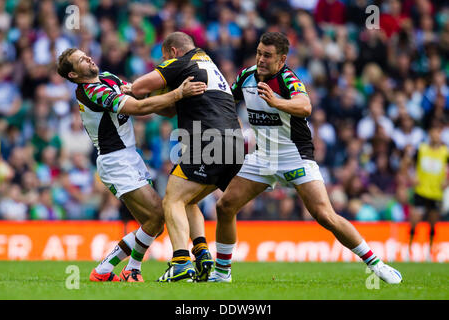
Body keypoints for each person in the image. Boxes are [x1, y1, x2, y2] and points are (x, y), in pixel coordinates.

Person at [208, 32, 402, 284]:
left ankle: (376, 264)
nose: (261, 59)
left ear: (281, 59)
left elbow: (305, 106)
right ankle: (222, 273)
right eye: (259, 53)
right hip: (262, 157)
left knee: (324, 215)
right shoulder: (246, 75)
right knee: (225, 206)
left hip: (294, 156)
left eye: (267, 55)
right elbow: (227, 102)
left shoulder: (287, 79)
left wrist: (277, 102)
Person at [56, 48, 206, 282]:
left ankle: (106, 271)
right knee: (157, 214)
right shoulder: (91, 91)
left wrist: (160, 94)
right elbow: (137, 108)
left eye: (86, 55)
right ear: (74, 75)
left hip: (129, 156)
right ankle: (128, 270)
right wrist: (177, 93)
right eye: (80, 60)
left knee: (154, 223)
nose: (88, 58)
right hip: (115, 160)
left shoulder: (108, 78)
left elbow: (138, 95)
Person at [128, 32, 243, 282]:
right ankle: (202, 254)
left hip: (208, 139)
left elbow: (138, 87)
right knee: (187, 200)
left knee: (171, 200)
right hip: (234, 143)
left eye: (164, 57)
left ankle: (180, 262)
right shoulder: (209, 66)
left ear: (172, 51)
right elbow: (170, 109)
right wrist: (171, 94)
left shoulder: (181, 62)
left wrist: (130, 91)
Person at [409, 122, 448, 260]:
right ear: (429, 133)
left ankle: (429, 253)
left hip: (436, 193)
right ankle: (409, 251)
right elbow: (407, 163)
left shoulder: (445, 152)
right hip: (421, 191)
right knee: (414, 220)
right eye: (433, 131)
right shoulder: (421, 149)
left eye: (438, 132)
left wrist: (447, 182)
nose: (435, 134)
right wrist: (411, 176)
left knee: (433, 224)